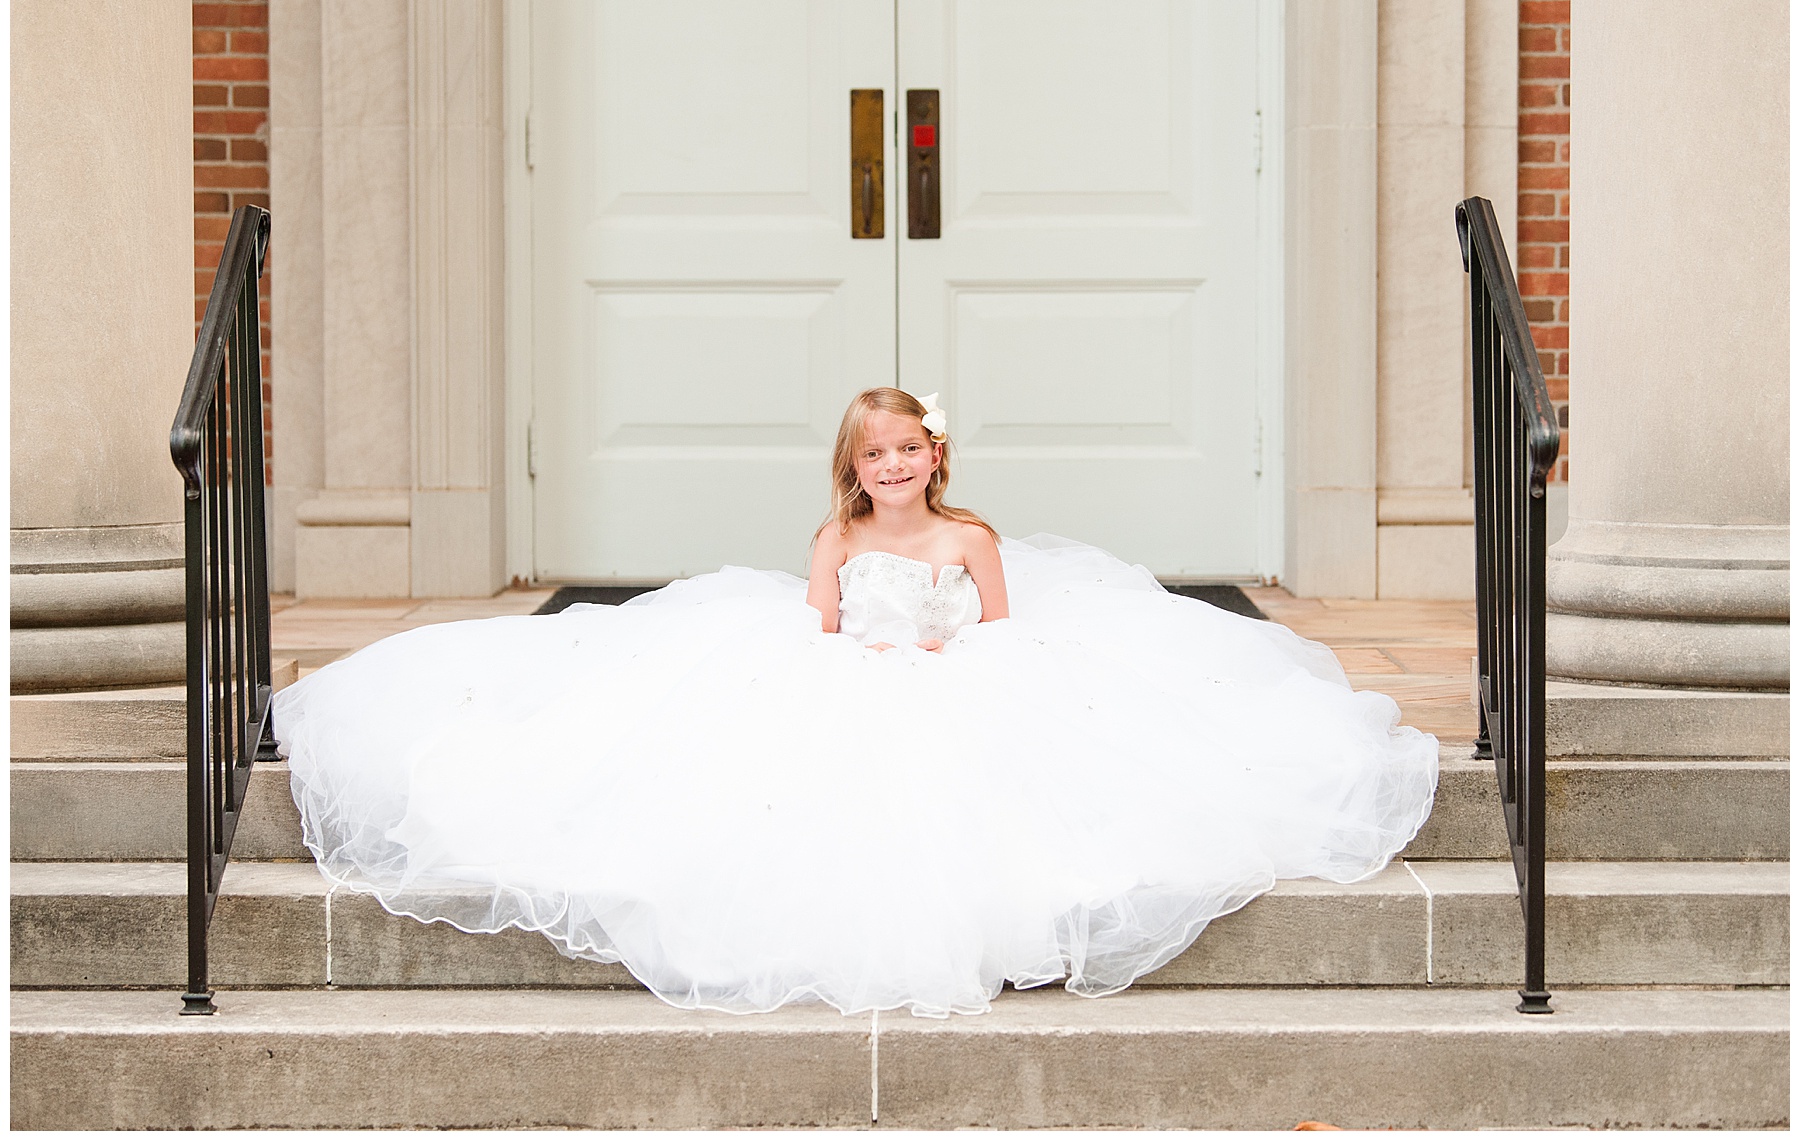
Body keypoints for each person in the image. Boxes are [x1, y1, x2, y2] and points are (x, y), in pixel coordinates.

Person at [276, 387, 1438, 1019]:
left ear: (937, 456)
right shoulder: (832, 537)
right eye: (874, 455)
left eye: (910, 452)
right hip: (856, 669)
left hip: (956, 668)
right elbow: (821, 622)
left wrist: (944, 659)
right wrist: (861, 655)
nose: (894, 469)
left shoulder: (971, 535)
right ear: (853, 465)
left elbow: (997, 624)